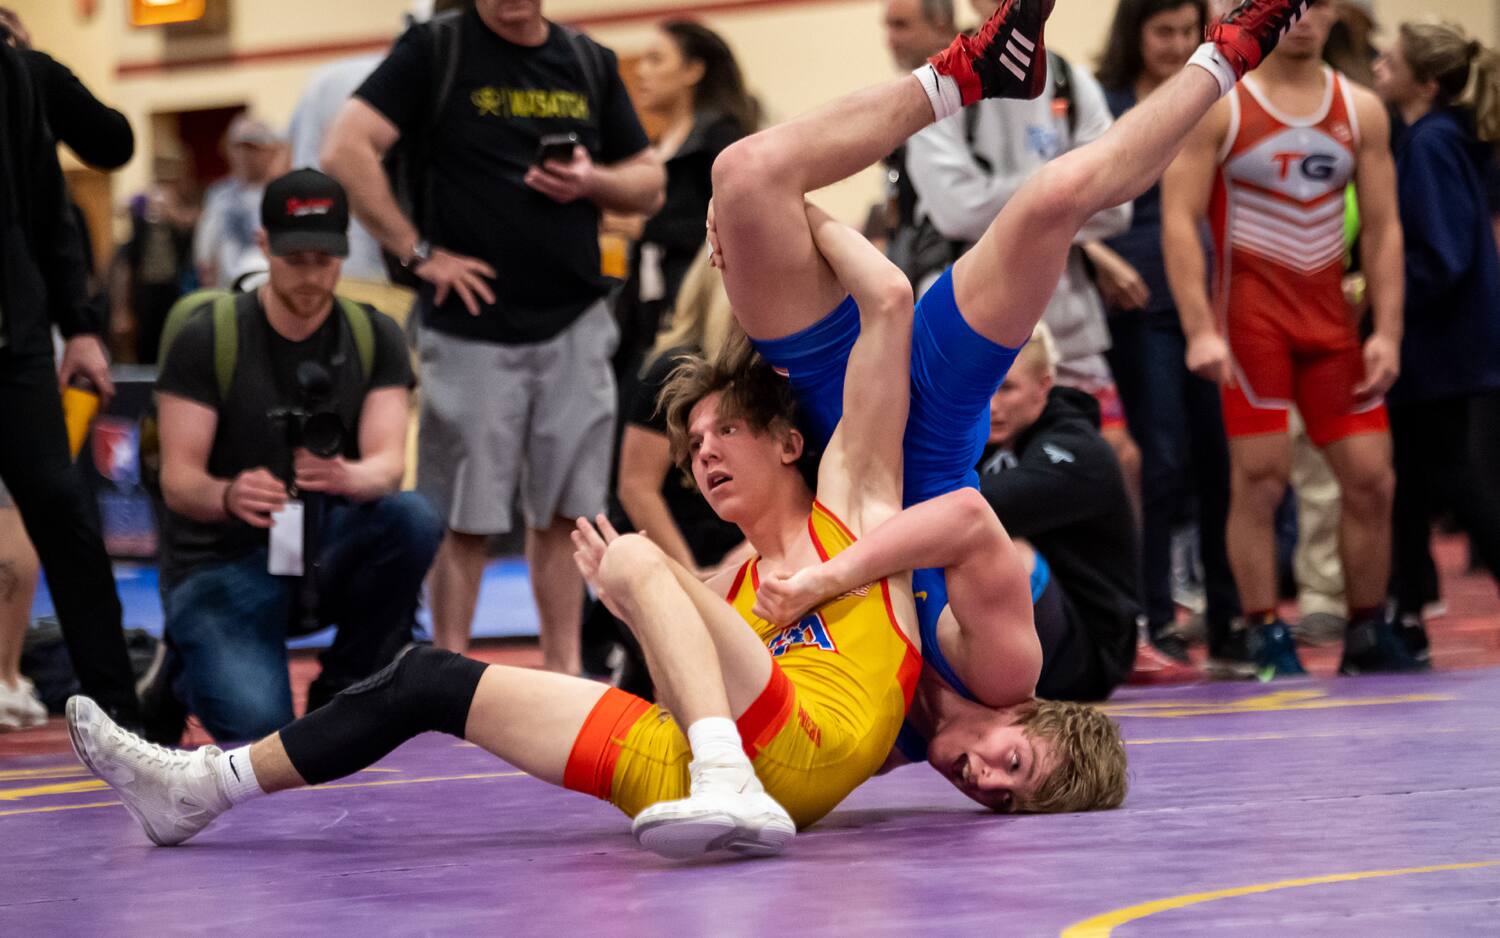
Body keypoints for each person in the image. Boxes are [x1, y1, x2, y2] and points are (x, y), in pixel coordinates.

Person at [63, 0, 1185, 858]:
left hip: (784, 716)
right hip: (723, 732)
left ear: (787, 444)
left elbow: (943, 458)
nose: (703, 461)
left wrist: (775, 585)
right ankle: (200, 785)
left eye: (717, 444)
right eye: (697, 447)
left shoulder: (868, 516)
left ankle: (1173, 78)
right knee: (426, 677)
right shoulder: (755, 560)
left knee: (637, 551)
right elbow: (860, 322)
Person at [710, 0, 1314, 774]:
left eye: (988, 795)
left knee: (745, 173)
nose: (980, 777)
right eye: (1014, 767)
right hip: (931, 422)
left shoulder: (875, 744)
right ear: (1033, 718)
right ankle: (1228, 53)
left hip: (833, 392)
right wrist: (832, 577)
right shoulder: (1001, 674)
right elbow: (961, 518)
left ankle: (967, 71)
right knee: (1052, 202)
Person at [321, 0, 666, 673]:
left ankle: (563, 669)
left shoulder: (586, 60)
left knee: (568, 512)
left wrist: (591, 181)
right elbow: (345, 148)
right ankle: (450, 670)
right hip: (471, 327)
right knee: (466, 517)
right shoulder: (434, 50)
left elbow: (648, 182)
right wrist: (417, 253)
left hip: (572, 318)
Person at [1162, 0, 1418, 677]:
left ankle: (1366, 629)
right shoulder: (1224, 103)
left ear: (1337, 13)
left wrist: (1387, 332)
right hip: (1250, 324)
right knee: (1261, 480)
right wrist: (1197, 329)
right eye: (1290, 4)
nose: (1302, 18)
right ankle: (1265, 631)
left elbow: (1387, 229)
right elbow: (1179, 217)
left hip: (1331, 322)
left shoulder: (1360, 108)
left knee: (1371, 480)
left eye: (1317, 4)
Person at [153, 169, 442, 742]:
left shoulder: (373, 335)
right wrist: (230, 493)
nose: (312, 275)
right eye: (295, 258)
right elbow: (179, 481)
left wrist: (347, 475)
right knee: (263, 735)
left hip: (320, 547)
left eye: (325, 259)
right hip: (223, 562)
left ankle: (349, 682)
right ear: (263, 245)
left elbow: (388, 466)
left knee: (413, 518)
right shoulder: (209, 336)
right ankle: (182, 668)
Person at [904, 0, 1142, 516]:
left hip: (1069, 322)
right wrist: (1065, 194)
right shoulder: (937, 80)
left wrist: (1025, 200)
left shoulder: (1069, 81)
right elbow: (955, 210)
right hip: (966, 325)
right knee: (958, 476)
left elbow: (1116, 207)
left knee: (1119, 460)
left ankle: (1116, 594)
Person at [0, 34, 142, 731]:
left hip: (15, 343)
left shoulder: (15, 69)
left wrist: (80, 325)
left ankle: (119, 707)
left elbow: (51, 206)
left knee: (62, 508)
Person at [1089, 0, 1237, 668]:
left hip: (1205, 297)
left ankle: (1229, 613)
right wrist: (1096, 256)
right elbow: (1071, 191)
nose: (1177, 45)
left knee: (1219, 461)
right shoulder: (1106, 98)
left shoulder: (1213, 95)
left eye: (1187, 32)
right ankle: (1155, 609)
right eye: (1163, 33)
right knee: (1160, 459)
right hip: (1139, 303)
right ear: (1135, 34)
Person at [1373, 22, 1500, 657]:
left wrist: (1377, 294)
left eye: (1389, 61)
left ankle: (1408, 607)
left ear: (1423, 82)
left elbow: (1441, 254)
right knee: (1420, 483)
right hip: (1450, 340)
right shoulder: (1441, 138)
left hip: (1438, 344)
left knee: (1456, 480)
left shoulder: (1429, 145)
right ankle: (1409, 611)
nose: (1376, 67)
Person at [612, 20, 756, 393]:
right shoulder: (653, 146)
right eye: (641, 60)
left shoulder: (720, 138)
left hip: (697, 312)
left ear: (693, 70)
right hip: (645, 309)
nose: (642, 71)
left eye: (656, 59)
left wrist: (646, 227)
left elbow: (737, 224)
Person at [284, 1, 471, 284]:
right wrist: (416, 251)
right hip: (376, 259)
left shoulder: (330, 80)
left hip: (345, 256)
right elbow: (337, 156)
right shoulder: (412, 80)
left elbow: (296, 162)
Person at [195, 115, 283, 289]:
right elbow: (206, 252)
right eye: (238, 147)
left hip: (267, 291)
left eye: (252, 148)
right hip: (227, 293)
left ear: (270, 151)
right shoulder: (218, 194)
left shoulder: (281, 193)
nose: (244, 155)